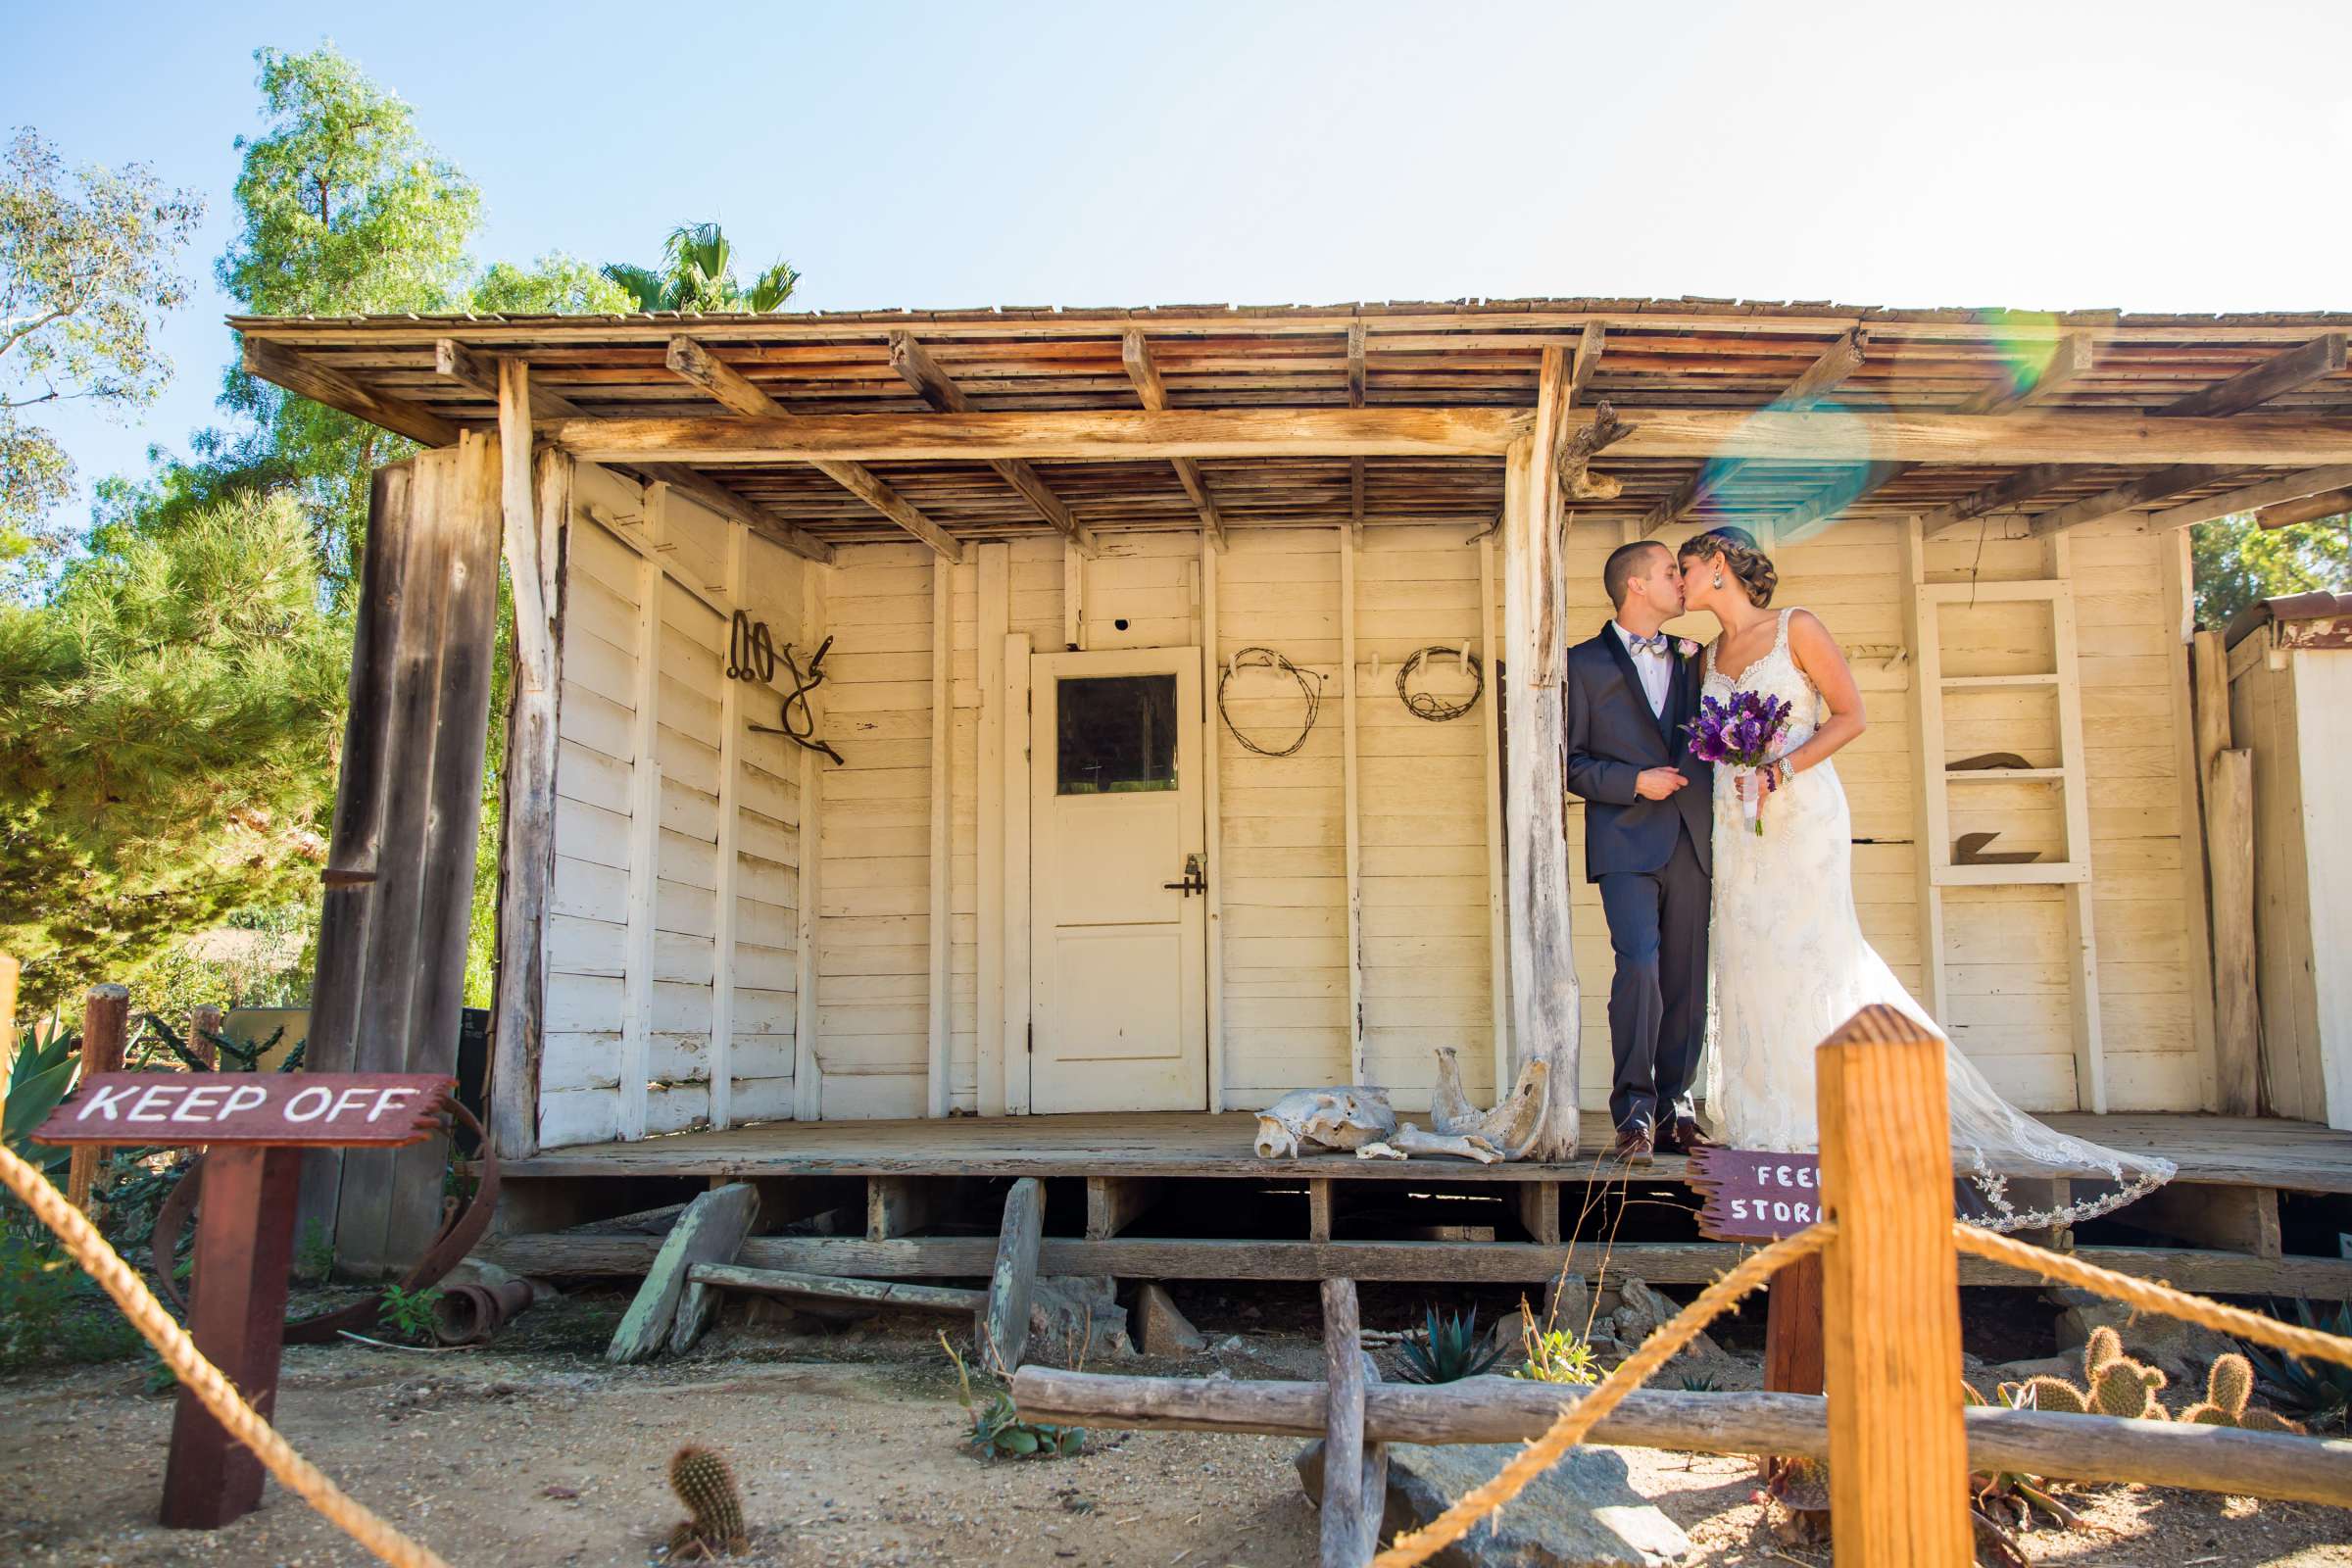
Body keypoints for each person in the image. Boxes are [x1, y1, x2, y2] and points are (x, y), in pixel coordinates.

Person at [1675, 525, 2172, 1228]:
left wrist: (1784, 766)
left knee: (1810, 949)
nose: (1680, 579)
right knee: (1748, 954)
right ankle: (1765, 1112)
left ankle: (1832, 1109)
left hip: (1801, 808)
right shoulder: (1708, 658)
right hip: (1737, 820)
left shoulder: (1797, 628)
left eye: (1686, 568)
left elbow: (1852, 716)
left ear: (1718, 565)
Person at [1563, 539, 1713, 1163]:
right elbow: (1569, 763)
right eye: (1671, 572)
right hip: (1625, 838)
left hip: (1691, 837)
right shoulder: (1581, 664)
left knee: (1686, 976)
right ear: (1636, 586)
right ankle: (1633, 1110)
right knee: (1642, 968)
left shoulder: (1697, 658)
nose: (1682, 581)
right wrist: (1632, 782)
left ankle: (1677, 1105)